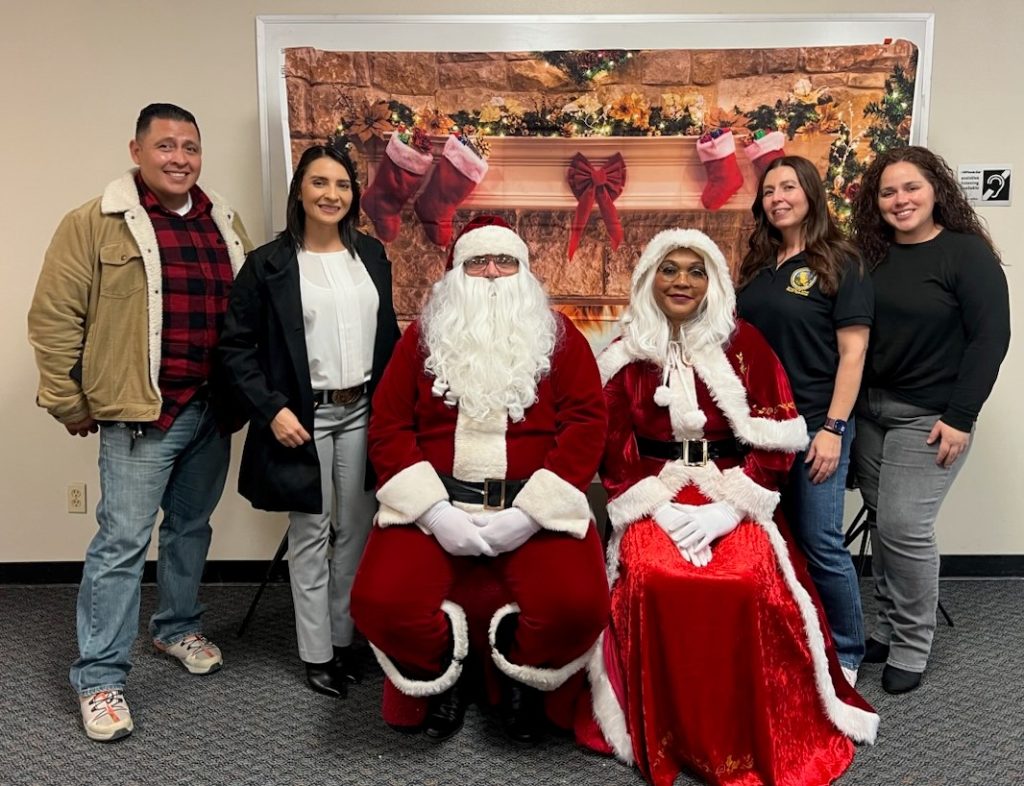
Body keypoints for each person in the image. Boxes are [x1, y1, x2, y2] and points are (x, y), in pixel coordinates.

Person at [576, 228, 878, 786]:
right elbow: (609, 444)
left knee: (744, 577)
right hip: (654, 493)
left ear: (713, 281)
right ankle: (670, 730)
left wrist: (731, 509)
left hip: (730, 491)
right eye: (670, 269)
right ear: (649, 278)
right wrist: (652, 506)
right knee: (653, 575)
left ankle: (743, 731)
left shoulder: (746, 345)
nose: (682, 281)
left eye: (696, 271)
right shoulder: (625, 351)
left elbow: (779, 436)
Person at [27, 103, 252, 742]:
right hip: (140, 414)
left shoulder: (224, 220)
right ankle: (99, 677)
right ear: (137, 150)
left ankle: (176, 628)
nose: (180, 158)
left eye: (190, 147)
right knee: (122, 543)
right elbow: (54, 317)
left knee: (190, 528)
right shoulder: (93, 223)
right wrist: (68, 400)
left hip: (211, 409)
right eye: (166, 146)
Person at [350, 215, 610, 745]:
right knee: (380, 602)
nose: (492, 272)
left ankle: (519, 675)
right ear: (456, 273)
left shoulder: (562, 339)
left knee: (578, 606)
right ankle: (443, 669)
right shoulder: (422, 339)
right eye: (478, 262)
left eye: (505, 261)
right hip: (438, 506)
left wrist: (530, 514)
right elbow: (389, 426)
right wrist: (434, 513)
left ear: (524, 271)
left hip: (532, 509)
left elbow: (586, 425)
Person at [219, 142, 400, 698]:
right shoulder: (267, 265)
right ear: (300, 190)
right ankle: (317, 653)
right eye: (320, 182)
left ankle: (344, 641)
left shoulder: (371, 257)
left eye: (342, 185)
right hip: (304, 417)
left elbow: (388, 338)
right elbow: (235, 349)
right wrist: (271, 410)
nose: (331, 194)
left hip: (363, 411)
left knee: (357, 533)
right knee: (311, 533)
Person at [849, 146, 1010, 694]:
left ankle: (913, 645)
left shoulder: (965, 254)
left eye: (911, 187)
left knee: (904, 528)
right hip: (871, 413)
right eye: (888, 191)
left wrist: (961, 418)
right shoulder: (869, 254)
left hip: (931, 418)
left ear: (936, 190)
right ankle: (890, 628)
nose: (901, 200)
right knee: (883, 523)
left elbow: (991, 339)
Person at [736, 155, 873, 686]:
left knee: (820, 542)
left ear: (811, 194)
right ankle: (794, 636)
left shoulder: (840, 261)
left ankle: (847, 650)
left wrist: (835, 430)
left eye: (788, 187)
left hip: (818, 424)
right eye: (769, 191)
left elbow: (853, 354)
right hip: (762, 428)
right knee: (774, 539)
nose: (778, 198)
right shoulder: (758, 265)